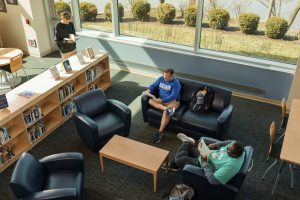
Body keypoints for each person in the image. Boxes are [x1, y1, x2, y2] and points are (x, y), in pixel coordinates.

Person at [162, 133, 245, 185]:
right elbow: (228, 142)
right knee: (191, 148)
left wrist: (205, 162)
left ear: (234, 155)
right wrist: (216, 145)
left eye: (228, 151)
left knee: (179, 159)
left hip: (206, 164)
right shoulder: (237, 147)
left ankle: (186, 143)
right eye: (227, 148)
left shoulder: (231, 166)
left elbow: (213, 180)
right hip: (209, 153)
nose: (226, 149)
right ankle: (186, 145)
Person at [146, 68, 181, 144]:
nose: (164, 78)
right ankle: (167, 109)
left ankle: (160, 132)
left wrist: (161, 100)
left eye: (167, 77)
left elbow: (173, 96)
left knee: (166, 113)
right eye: (164, 76)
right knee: (150, 101)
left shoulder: (176, 83)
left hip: (173, 101)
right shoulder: (161, 78)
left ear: (172, 76)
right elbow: (153, 85)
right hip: (161, 100)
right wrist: (149, 90)